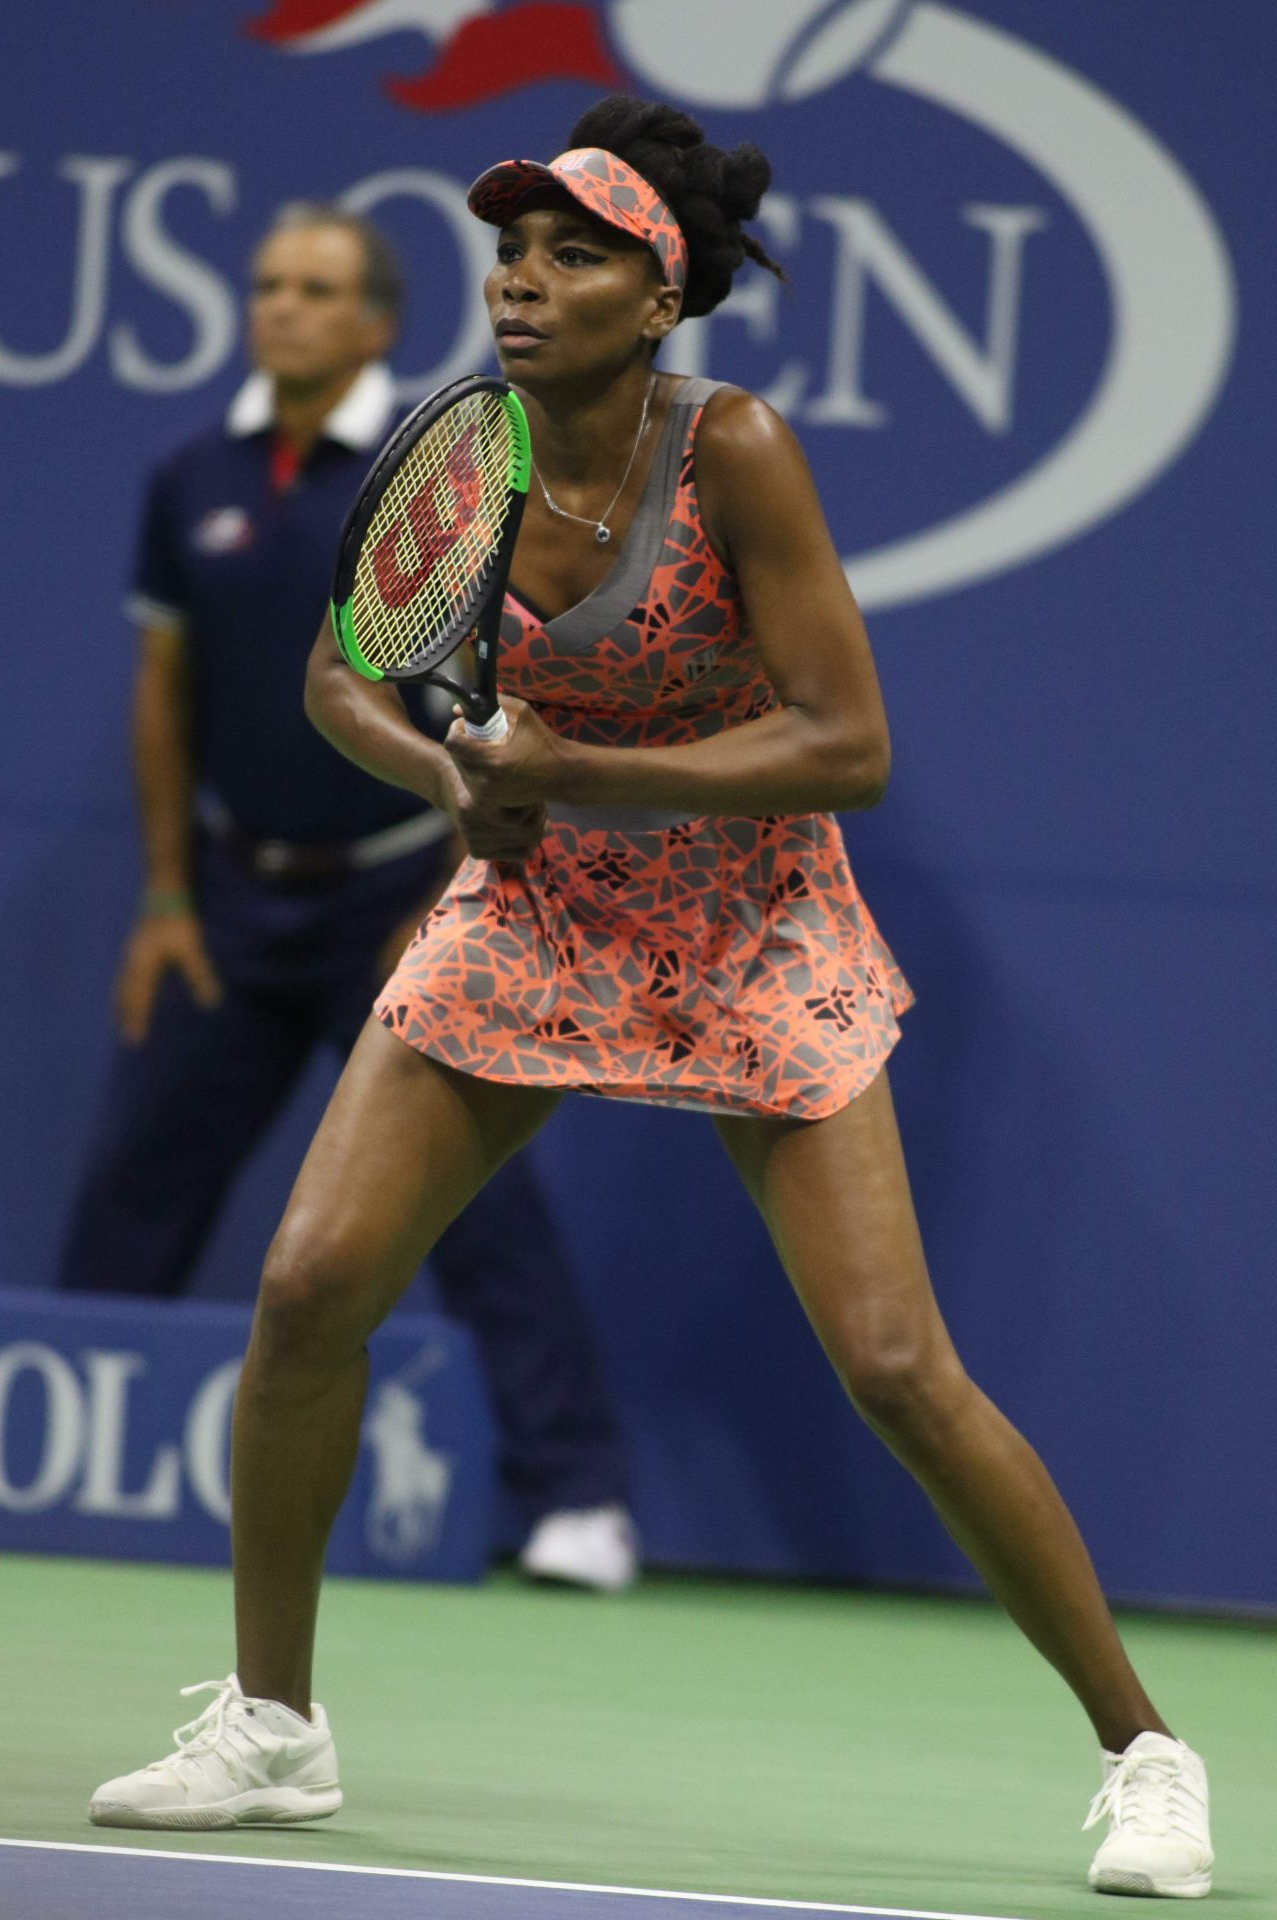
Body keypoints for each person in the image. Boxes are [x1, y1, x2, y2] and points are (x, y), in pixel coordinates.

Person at [86, 102, 1214, 1901]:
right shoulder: (467, 453)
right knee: (306, 1289)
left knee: (898, 1368)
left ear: (661, 292)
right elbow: (338, 678)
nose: (525, 285)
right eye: (513, 253)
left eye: (577, 255)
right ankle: (274, 1727)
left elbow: (847, 744)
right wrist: (456, 782)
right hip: (530, 907)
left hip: (753, 925)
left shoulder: (737, 450)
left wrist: (581, 774)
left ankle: (1147, 1755)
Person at [59, 201, 636, 1594]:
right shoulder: (189, 467)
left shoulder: (436, 474)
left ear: (378, 322)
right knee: (136, 1185)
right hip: (231, 907)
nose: (282, 309)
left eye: (316, 289)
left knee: (473, 1205)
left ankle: (578, 1502)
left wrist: (453, 890)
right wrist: (161, 900)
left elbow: (495, 698)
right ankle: (53, 1452)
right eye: (266, 285)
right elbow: (165, 695)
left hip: (405, 894)